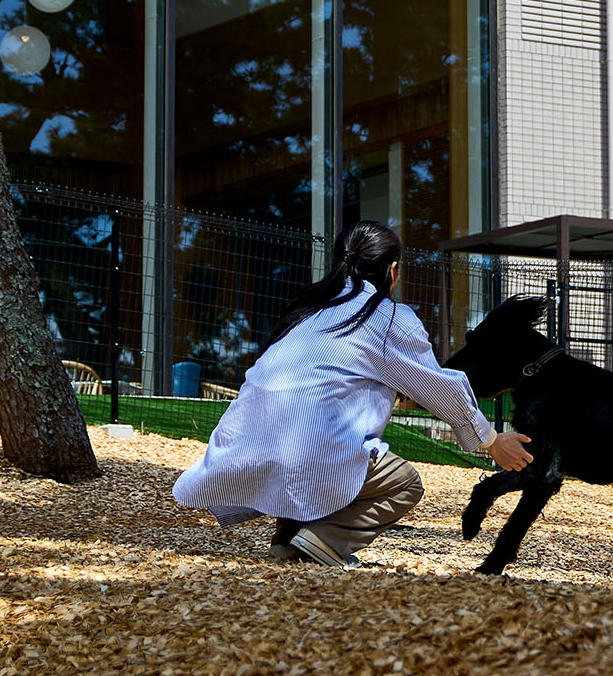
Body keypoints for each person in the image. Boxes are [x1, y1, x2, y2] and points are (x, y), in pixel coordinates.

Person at [173, 220, 533, 568]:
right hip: (304, 455)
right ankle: (326, 541)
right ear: (393, 271)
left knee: (320, 448)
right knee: (402, 483)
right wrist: (491, 440)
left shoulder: (306, 308)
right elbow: (439, 388)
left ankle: (289, 541)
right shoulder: (388, 317)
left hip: (244, 445)